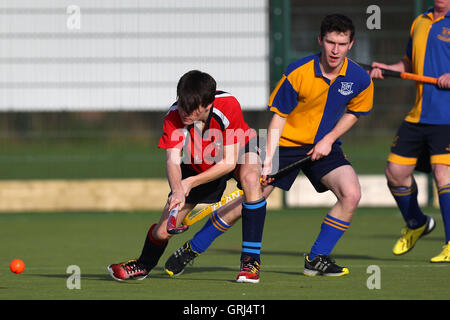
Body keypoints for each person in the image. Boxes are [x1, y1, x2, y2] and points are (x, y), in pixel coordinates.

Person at [164, 14, 374, 278]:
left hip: (323, 146)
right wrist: (268, 159)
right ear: (320, 40)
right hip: (282, 144)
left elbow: (356, 110)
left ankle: (317, 257)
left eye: (342, 44)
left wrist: (330, 138)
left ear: (350, 45)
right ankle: (193, 248)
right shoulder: (298, 72)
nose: (335, 50)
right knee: (250, 201)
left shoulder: (359, 78)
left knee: (351, 193)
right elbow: (279, 118)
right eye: (330, 42)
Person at [107, 70, 267, 282]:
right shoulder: (174, 116)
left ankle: (250, 262)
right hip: (198, 162)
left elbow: (228, 162)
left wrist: (189, 182)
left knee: (250, 179)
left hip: (237, 151)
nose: (185, 113)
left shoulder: (228, 105)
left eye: (192, 109)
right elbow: (172, 160)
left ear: (208, 105)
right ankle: (143, 265)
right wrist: (178, 189)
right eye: (182, 105)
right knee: (162, 231)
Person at [370, 0, 450, 262]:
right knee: (395, 172)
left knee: (443, 173)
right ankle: (416, 223)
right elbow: (410, 62)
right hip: (418, 115)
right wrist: (389, 69)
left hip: (447, 117)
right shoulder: (420, 21)